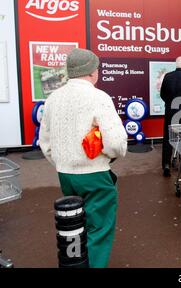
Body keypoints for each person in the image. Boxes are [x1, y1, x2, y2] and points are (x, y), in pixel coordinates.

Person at [39, 48, 128, 268]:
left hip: (66, 174)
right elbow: (116, 142)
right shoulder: (98, 97)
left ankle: (76, 263)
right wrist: (109, 157)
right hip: (95, 174)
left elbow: (45, 142)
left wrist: (63, 162)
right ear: (91, 71)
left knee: (75, 224)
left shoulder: (53, 98)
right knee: (99, 228)